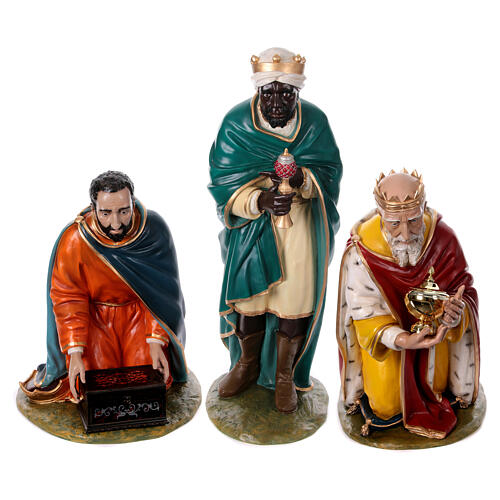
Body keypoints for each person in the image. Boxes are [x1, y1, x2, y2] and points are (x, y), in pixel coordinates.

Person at [209, 47, 342, 413]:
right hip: (254, 227)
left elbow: (330, 173)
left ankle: (284, 376)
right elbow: (223, 180)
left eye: (287, 93)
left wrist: (302, 179)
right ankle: (246, 365)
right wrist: (259, 200)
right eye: (270, 93)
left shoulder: (314, 123)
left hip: (299, 226)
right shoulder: (236, 123)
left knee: (294, 302)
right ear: (259, 91)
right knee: (249, 300)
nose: (278, 102)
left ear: (298, 92)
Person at [20, 171, 188, 403]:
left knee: (149, 378)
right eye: (106, 213)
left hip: (140, 318)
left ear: (132, 203)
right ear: (94, 208)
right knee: (94, 381)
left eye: (124, 212)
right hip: (95, 321)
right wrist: (75, 352)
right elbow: (69, 297)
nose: (115, 224)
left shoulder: (152, 231)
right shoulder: (76, 239)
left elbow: (161, 293)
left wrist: (156, 340)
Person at [337, 170, 479, 438]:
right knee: (387, 404)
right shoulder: (363, 250)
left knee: (435, 385)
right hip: (387, 344)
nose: (405, 233)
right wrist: (403, 340)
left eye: (413, 221)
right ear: (380, 214)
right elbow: (364, 313)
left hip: (436, 341)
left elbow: (464, 289)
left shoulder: (443, 239)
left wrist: (455, 313)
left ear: (423, 207)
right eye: (394, 224)